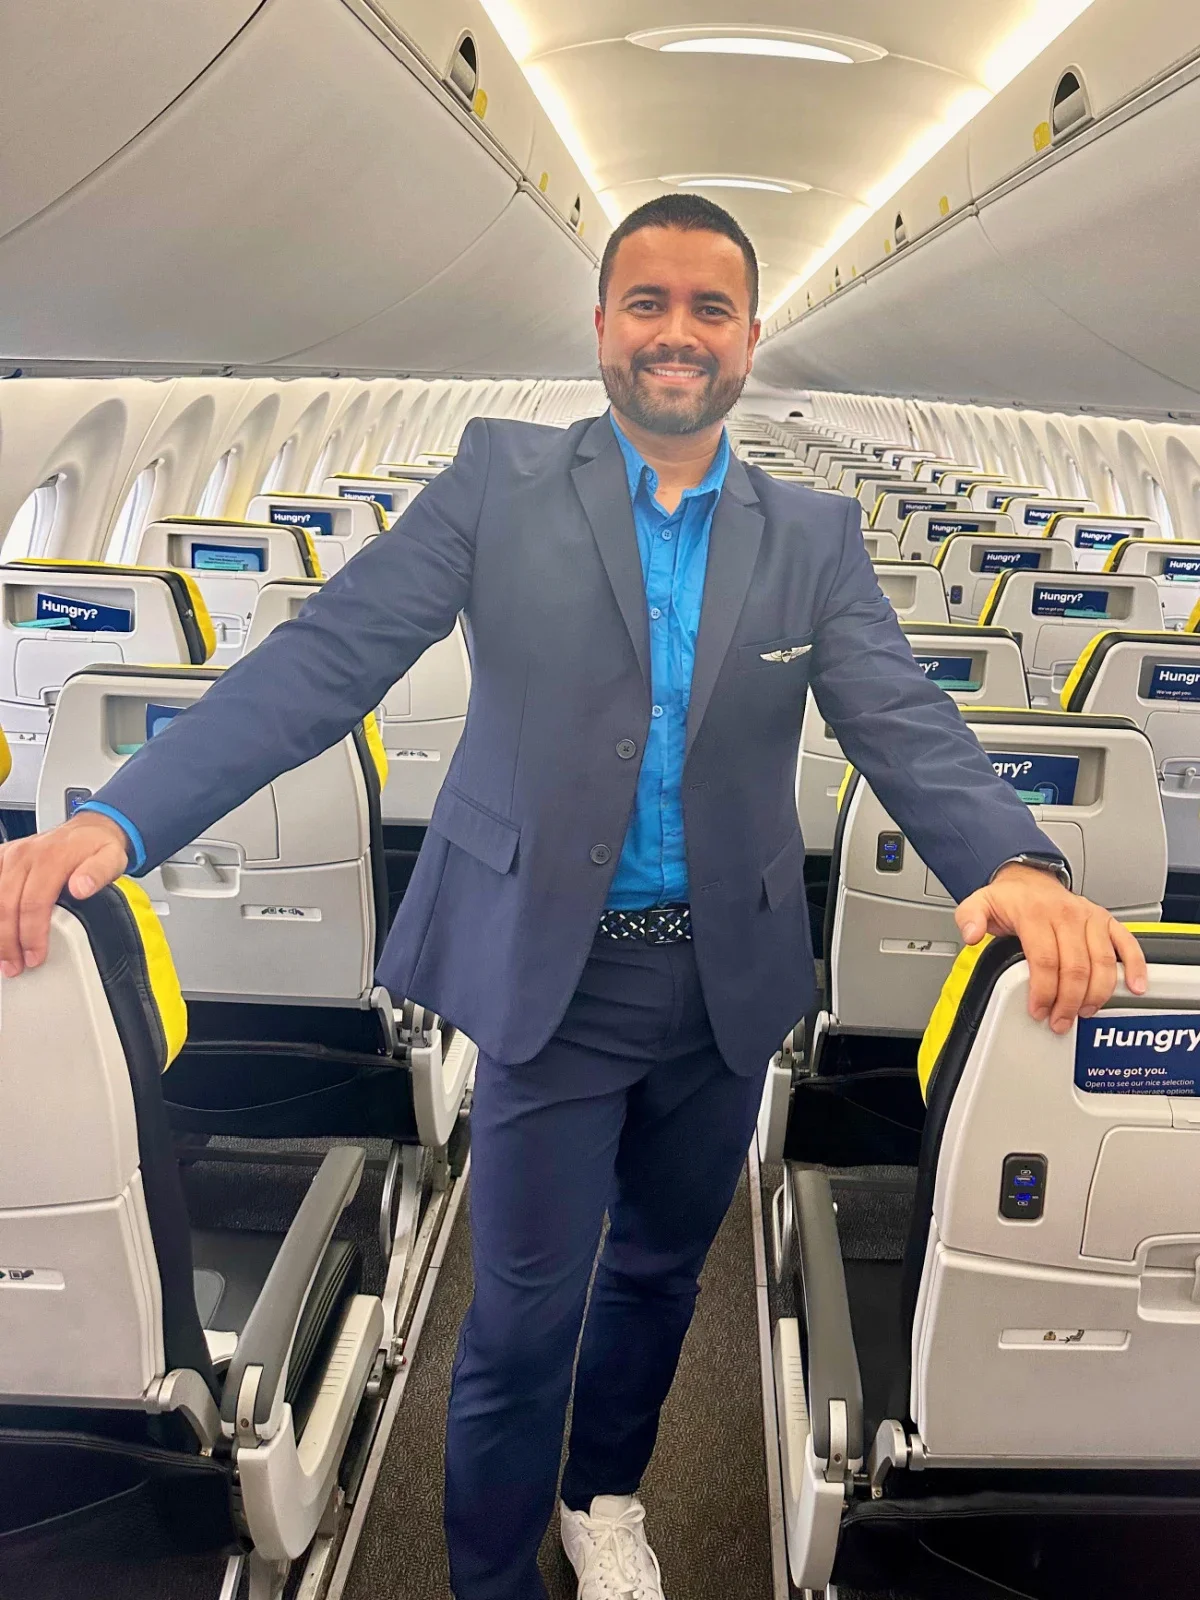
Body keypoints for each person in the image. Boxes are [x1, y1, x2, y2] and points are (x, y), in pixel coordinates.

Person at [0, 194, 1147, 1600]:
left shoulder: (812, 534)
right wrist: (120, 816)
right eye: (648, 303)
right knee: (523, 1312)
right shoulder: (496, 480)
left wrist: (1016, 867)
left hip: (724, 981)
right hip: (553, 967)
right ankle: (488, 1574)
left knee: (662, 1275)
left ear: (750, 338)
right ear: (602, 326)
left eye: (709, 308)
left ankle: (603, 1495)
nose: (677, 333)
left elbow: (902, 719)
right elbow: (326, 661)